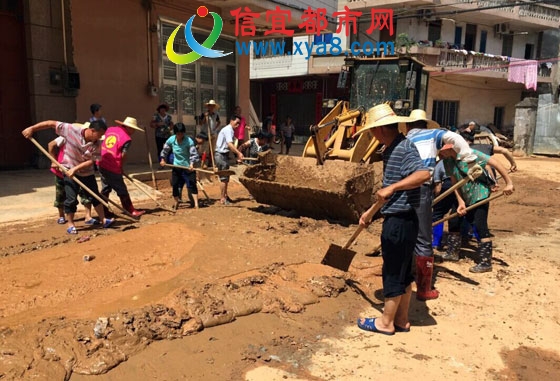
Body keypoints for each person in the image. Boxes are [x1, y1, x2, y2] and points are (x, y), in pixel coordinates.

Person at [355, 104, 431, 335]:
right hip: (402, 217)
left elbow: (424, 174)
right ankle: (401, 319)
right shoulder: (392, 148)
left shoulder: (403, 148)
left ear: (378, 131)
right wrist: (370, 212)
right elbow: (388, 193)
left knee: (393, 271)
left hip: (400, 221)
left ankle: (385, 323)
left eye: (371, 132)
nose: (371, 136)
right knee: (403, 272)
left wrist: (393, 187)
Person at [405, 109, 478, 301]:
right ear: (425, 124)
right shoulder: (433, 134)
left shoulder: (404, 138)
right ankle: (424, 289)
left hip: (401, 188)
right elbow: (455, 138)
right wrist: (468, 157)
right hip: (421, 189)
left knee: (406, 230)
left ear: (407, 125)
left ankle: (404, 275)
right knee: (423, 239)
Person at [22, 120, 114, 234]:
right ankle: (71, 225)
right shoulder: (71, 130)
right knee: (71, 199)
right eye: (99, 135)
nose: (100, 138)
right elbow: (51, 123)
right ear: (92, 130)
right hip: (68, 170)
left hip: (86, 173)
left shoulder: (97, 143)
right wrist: (32, 128)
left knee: (95, 196)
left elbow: (92, 160)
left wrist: (75, 169)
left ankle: (103, 220)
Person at [439, 144, 515, 272]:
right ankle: (453, 252)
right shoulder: (448, 161)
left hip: (479, 194)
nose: (439, 153)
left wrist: (509, 183)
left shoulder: (471, 153)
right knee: (454, 221)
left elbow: (495, 163)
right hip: (463, 194)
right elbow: (454, 182)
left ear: (450, 147)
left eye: (441, 150)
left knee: (479, 225)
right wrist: (460, 201)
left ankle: (485, 262)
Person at [99, 117, 146, 218]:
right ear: (128, 127)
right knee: (121, 188)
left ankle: (104, 211)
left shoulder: (111, 129)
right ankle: (130, 210)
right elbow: (123, 155)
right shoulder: (126, 138)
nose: (133, 131)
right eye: (133, 129)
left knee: (106, 188)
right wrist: (120, 167)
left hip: (101, 161)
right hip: (113, 164)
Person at [48, 132, 95, 225]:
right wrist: (54, 161)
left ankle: (88, 216)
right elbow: (51, 145)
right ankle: (61, 216)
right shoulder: (66, 137)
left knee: (85, 193)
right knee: (61, 194)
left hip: (79, 172)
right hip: (62, 170)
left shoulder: (89, 143)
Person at [159, 123, 200, 210]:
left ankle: (196, 204)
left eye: (182, 133)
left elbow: (194, 154)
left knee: (192, 184)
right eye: (178, 134)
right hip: (176, 166)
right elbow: (165, 150)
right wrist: (163, 159)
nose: (180, 135)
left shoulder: (189, 141)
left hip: (188, 166)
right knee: (175, 185)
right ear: (175, 133)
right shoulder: (171, 140)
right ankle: (176, 202)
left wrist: (192, 164)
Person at [215, 115, 244, 205]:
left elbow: (229, 146)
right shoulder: (228, 130)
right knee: (224, 178)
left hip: (224, 155)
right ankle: (223, 198)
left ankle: (225, 196)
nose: (238, 125)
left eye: (239, 123)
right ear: (231, 120)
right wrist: (238, 153)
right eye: (237, 122)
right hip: (221, 155)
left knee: (226, 177)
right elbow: (230, 145)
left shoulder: (230, 130)